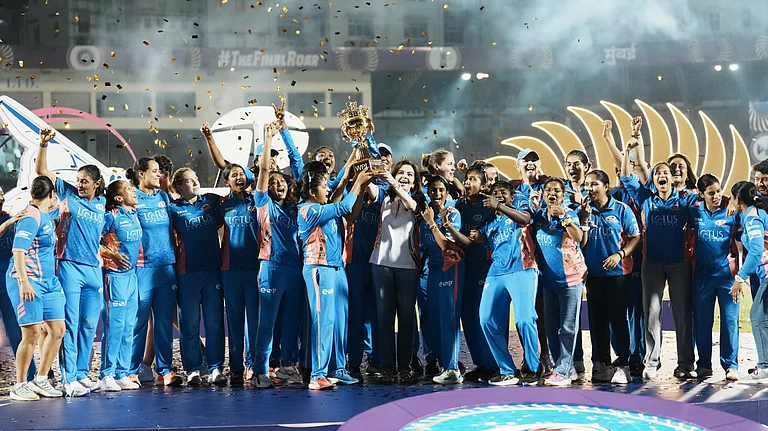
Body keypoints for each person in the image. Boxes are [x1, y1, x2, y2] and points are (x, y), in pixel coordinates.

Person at [35, 128, 107, 396]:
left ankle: (81, 374)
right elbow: (43, 172)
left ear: (96, 183)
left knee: (89, 325)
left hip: (93, 269)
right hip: (69, 266)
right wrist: (43, 145)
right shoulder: (68, 195)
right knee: (72, 324)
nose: (80, 184)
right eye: (78, 180)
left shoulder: (103, 203)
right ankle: (68, 380)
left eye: (85, 181)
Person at [621, 137, 699, 381]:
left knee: (682, 314)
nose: (662, 176)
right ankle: (652, 362)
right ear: (653, 180)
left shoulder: (686, 199)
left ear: (671, 179)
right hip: (651, 263)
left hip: (679, 264)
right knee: (652, 313)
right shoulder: (645, 197)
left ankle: (686, 363)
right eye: (658, 173)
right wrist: (629, 151)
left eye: (666, 172)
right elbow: (627, 175)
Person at [449, 181, 538, 386]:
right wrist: (477, 237)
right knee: (486, 320)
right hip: (497, 272)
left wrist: (499, 206)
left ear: (512, 196)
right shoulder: (491, 224)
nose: (499, 195)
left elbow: (525, 219)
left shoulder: (519, 208)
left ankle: (533, 368)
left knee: (524, 320)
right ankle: (507, 370)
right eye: (495, 193)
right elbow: (474, 244)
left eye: (503, 193)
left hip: (522, 269)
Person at [297, 161, 374, 389]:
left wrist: (352, 166)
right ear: (313, 191)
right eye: (324, 188)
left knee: (340, 321)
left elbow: (340, 193)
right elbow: (342, 207)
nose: (328, 192)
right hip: (318, 269)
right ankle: (317, 374)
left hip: (337, 269)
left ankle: (338, 368)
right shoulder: (308, 210)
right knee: (323, 321)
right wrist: (358, 182)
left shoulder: (324, 208)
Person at [251, 122, 305, 387]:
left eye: (281, 181)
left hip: (294, 270)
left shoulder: (295, 210)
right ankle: (260, 369)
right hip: (270, 267)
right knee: (268, 322)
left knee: (291, 324)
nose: (278, 184)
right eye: (272, 182)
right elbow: (263, 170)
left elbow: (299, 168)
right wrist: (268, 137)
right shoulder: (263, 204)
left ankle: (286, 367)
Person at [579, 170, 640, 384]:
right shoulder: (582, 211)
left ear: (606, 186)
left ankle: (623, 364)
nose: (589, 188)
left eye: (594, 184)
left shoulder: (622, 209)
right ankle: (601, 363)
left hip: (618, 273)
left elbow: (635, 237)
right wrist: (584, 220)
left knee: (618, 319)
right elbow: (582, 243)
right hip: (593, 274)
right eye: (587, 185)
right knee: (598, 320)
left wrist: (619, 254)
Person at [6, 176, 64, 401]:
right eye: (55, 195)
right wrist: (24, 282)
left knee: (57, 330)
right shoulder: (30, 218)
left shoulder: (46, 216)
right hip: (28, 280)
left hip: (49, 282)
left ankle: (41, 380)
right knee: (31, 333)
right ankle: (19, 384)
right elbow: (18, 251)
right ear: (50, 195)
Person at [126, 157, 182, 387]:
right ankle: (132, 370)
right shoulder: (132, 198)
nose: (158, 175)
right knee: (139, 322)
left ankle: (165, 370)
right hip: (143, 269)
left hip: (167, 268)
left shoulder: (163, 197)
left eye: (160, 172)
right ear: (141, 174)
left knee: (163, 323)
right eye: (155, 171)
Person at [368, 160, 424, 383]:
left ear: (415, 180)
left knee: (407, 318)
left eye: (410, 174)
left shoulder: (419, 199)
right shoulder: (384, 196)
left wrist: (394, 182)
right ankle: (387, 368)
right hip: (381, 264)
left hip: (408, 267)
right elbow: (368, 188)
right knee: (384, 318)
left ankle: (405, 367)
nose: (404, 176)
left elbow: (415, 208)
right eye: (401, 172)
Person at [169, 167, 226, 386]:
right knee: (189, 325)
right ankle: (193, 369)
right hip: (187, 273)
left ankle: (215, 368)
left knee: (214, 323)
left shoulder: (211, 202)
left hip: (212, 272)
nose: (195, 183)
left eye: (196, 179)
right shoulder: (174, 210)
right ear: (180, 186)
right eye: (190, 181)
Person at [530, 177, 587, 387]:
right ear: (543, 194)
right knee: (551, 327)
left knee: (567, 327)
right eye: (548, 190)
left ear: (563, 195)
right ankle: (565, 367)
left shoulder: (569, 213)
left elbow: (578, 236)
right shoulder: (538, 217)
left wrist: (563, 217)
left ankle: (562, 371)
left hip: (571, 280)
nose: (552, 194)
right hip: (548, 281)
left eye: (557, 191)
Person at [689, 174, 740, 381]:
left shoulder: (731, 212)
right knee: (702, 323)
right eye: (711, 193)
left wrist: (741, 276)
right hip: (702, 278)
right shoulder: (693, 212)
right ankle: (703, 365)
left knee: (729, 322)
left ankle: (731, 365)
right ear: (701, 194)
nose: (716, 196)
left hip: (727, 277)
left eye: (718, 191)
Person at [454, 162, 498, 381]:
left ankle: (494, 364)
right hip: (464, 267)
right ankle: (481, 363)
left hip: (484, 267)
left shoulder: (489, 206)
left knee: (483, 316)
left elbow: (500, 231)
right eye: (467, 178)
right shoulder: (459, 205)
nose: (468, 182)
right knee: (467, 316)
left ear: (482, 184)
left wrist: (485, 239)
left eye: (473, 179)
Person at [98, 180, 143, 392]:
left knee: (128, 327)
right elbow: (94, 240)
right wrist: (111, 254)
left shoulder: (133, 214)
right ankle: (105, 375)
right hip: (114, 277)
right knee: (114, 327)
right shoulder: (111, 216)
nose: (133, 191)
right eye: (128, 189)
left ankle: (122, 373)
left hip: (132, 276)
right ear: (118, 198)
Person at [421, 175, 465, 385]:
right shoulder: (425, 215)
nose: (437, 194)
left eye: (441, 190)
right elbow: (423, 246)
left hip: (451, 268)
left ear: (447, 193)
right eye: (433, 190)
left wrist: (432, 223)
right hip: (433, 271)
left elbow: (446, 246)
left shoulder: (451, 213)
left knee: (449, 318)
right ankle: (442, 363)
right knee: (434, 319)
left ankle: (453, 368)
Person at [729, 181, 768, 381]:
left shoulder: (752, 219)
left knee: (757, 316)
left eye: (731, 197)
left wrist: (740, 277)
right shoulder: (754, 213)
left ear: (738, 199)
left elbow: (755, 251)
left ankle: (765, 366)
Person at [0, 187, 37, 385]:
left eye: (0, 193)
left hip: (7, 284)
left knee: (17, 332)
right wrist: (8, 223)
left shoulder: (13, 220)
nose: (0, 197)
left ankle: (31, 377)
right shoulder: (9, 221)